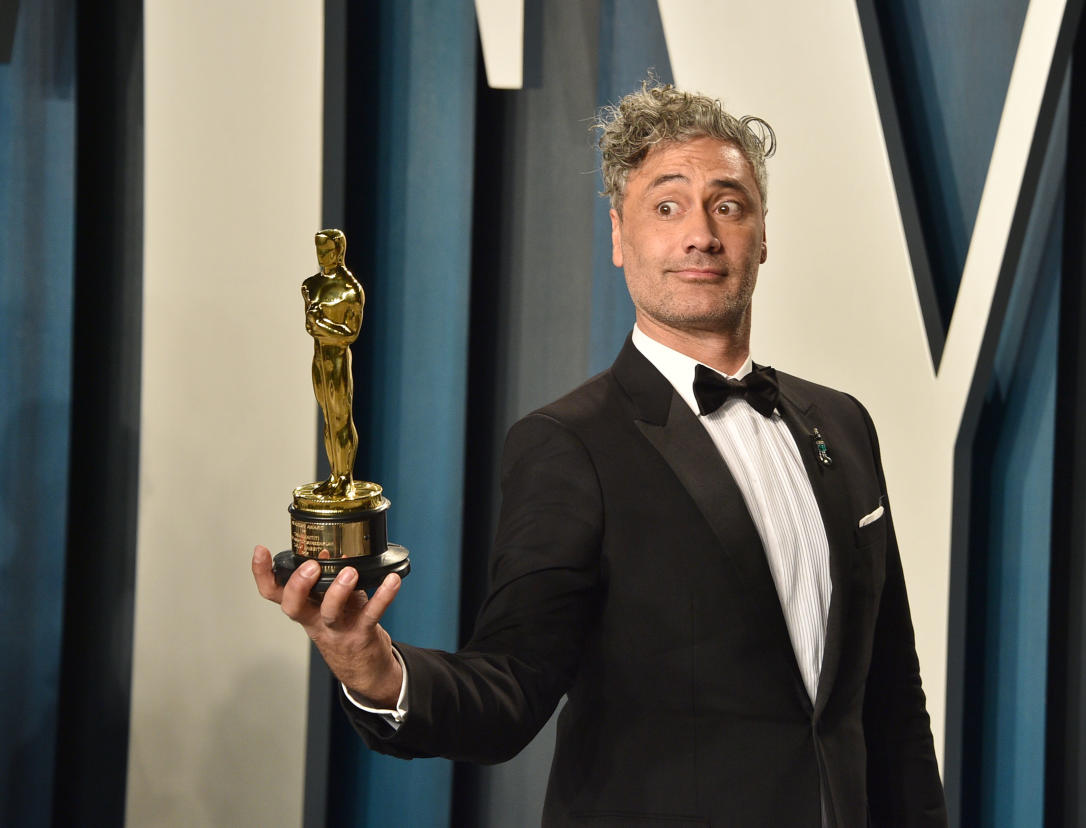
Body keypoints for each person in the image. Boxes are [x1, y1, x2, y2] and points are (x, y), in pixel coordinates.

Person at [253, 82, 947, 827]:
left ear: (764, 233)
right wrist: (376, 672)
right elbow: (509, 688)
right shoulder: (569, 444)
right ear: (619, 235)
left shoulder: (842, 424)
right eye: (668, 205)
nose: (701, 235)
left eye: (729, 204)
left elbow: (891, 700)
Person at [302, 228, 363, 498]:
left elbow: (350, 334)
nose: (323, 256)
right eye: (319, 251)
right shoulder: (311, 285)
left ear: (339, 251)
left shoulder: (350, 290)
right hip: (320, 359)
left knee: (341, 418)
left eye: (327, 251)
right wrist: (318, 325)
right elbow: (309, 327)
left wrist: (320, 322)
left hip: (337, 359)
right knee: (328, 419)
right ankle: (334, 475)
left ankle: (345, 477)